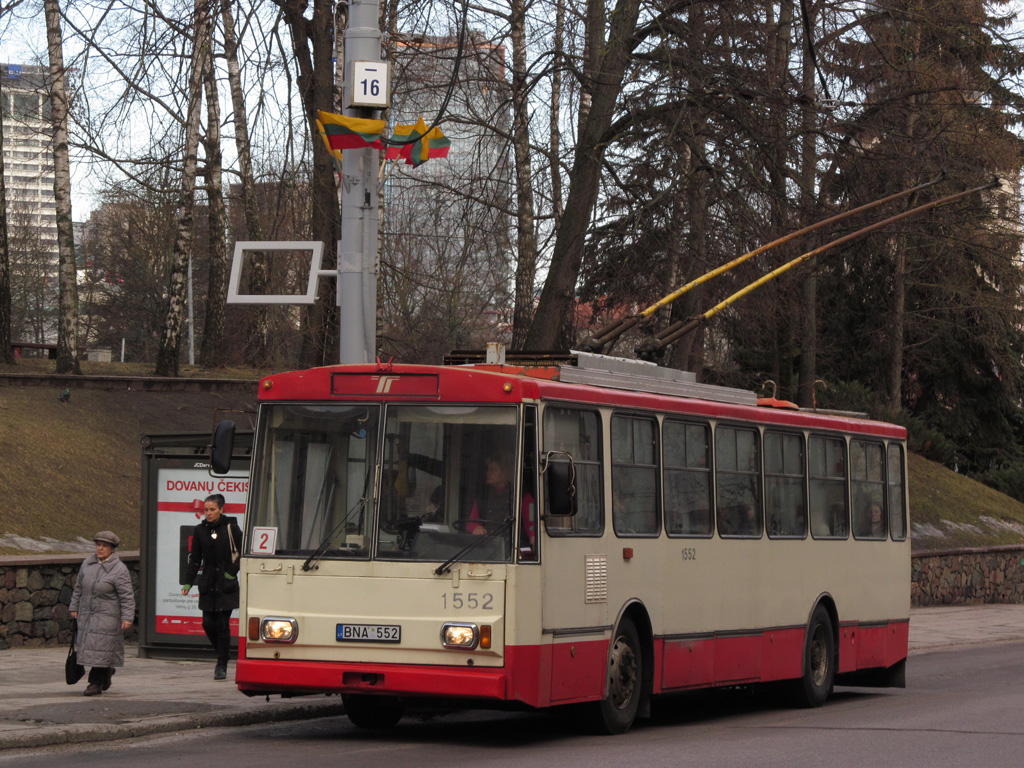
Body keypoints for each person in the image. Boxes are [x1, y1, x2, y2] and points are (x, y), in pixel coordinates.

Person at [182, 494, 243, 681]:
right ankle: (223, 653)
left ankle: (221, 664)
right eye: (206, 510)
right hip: (208, 583)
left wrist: (231, 572)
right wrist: (188, 582)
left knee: (222, 625)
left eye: (212, 509)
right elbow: (195, 558)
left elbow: (243, 551)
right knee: (208, 624)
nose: (208, 513)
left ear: (221, 509)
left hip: (226, 584)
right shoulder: (200, 530)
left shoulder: (231, 527)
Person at [69, 531, 135, 697]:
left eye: (104, 546)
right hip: (87, 615)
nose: (100, 548)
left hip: (108, 616)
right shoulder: (87, 564)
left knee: (101, 650)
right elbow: (78, 588)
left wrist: (127, 617)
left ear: (112, 549)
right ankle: (106, 672)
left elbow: (126, 596)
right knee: (91, 649)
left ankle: (95, 683)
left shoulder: (120, 570)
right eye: (98, 545)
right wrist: (74, 606)